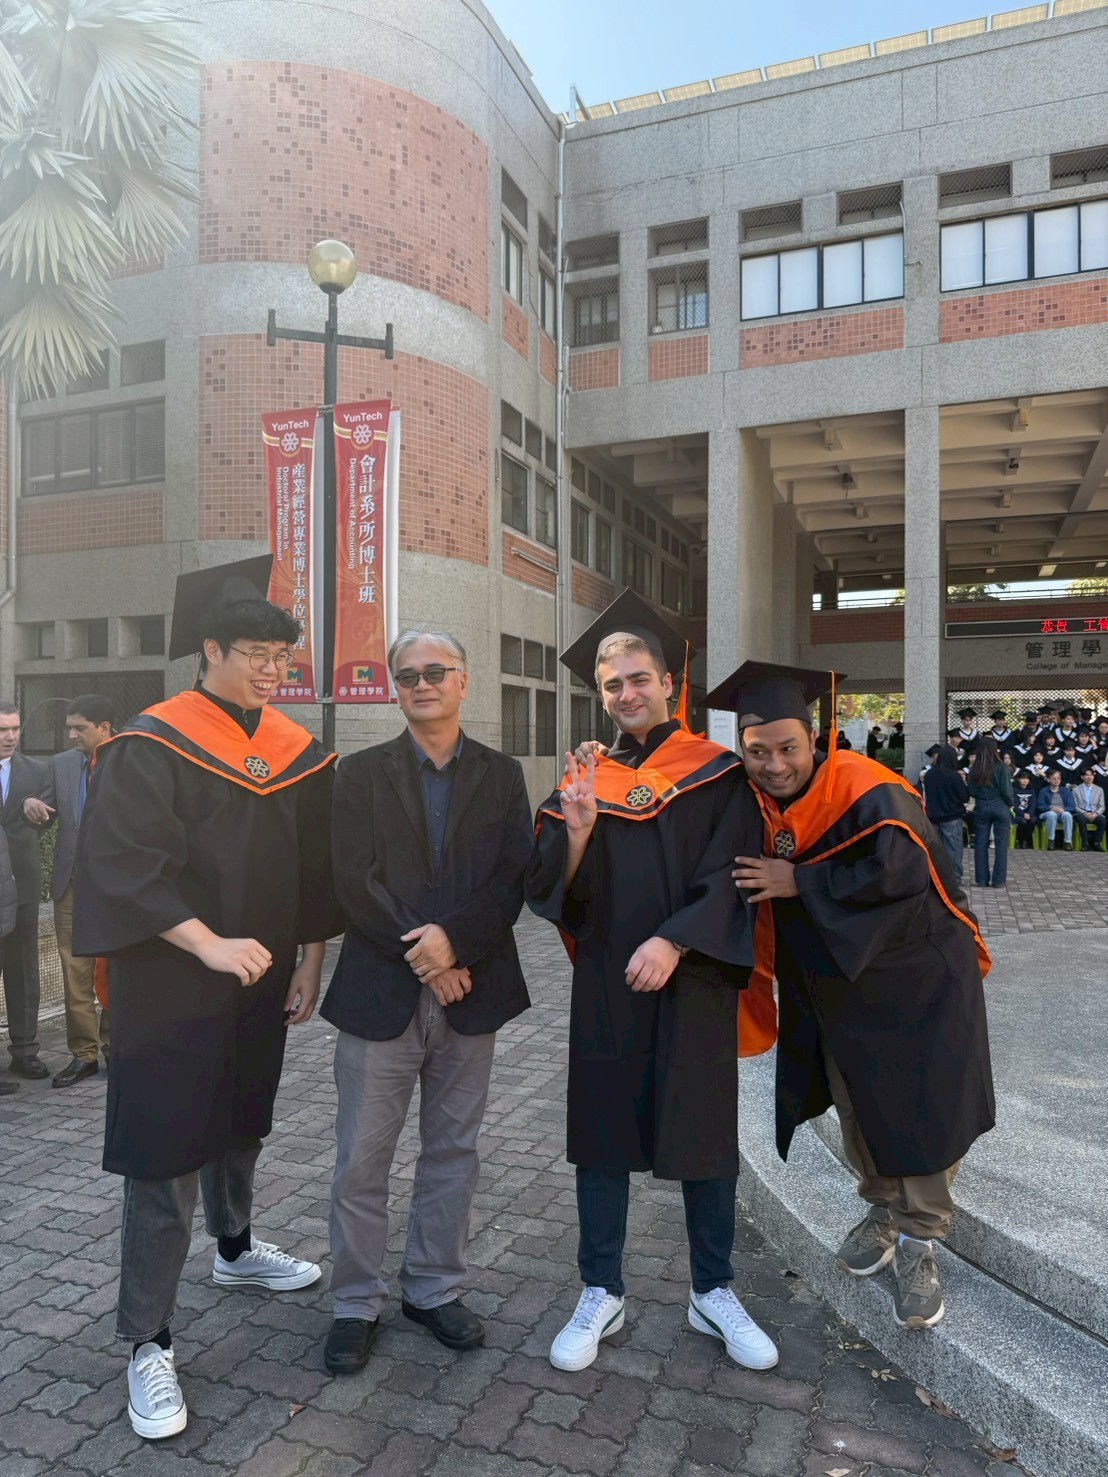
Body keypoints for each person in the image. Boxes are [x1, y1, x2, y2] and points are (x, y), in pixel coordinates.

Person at [72, 557, 340, 1441]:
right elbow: (124, 868)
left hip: (259, 977)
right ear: (209, 649)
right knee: (166, 1149)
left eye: (281, 656)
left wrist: (310, 960)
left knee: (242, 1116)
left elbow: (314, 869)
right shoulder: (152, 743)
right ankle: (146, 1338)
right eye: (256, 653)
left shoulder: (294, 750)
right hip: (172, 982)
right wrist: (208, 942)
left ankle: (235, 1249)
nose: (272, 669)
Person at [527, 591, 777, 1375]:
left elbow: (734, 873)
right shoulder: (586, 777)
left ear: (670, 682)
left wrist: (675, 938)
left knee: (703, 1135)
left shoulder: (718, 773)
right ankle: (601, 1287)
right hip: (609, 979)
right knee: (602, 1136)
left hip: (694, 976)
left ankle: (713, 1288)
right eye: (612, 685)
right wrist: (576, 831)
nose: (627, 693)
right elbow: (550, 887)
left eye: (639, 678)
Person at [720, 660, 994, 1332]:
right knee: (857, 1103)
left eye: (788, 748)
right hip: (838, 982)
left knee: (921, 1106)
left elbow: (897, 876)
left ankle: (920, 1237)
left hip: (915, 977)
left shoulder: (868, 790)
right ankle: (882, 1209)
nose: (775, 765)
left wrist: (799, 880)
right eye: (758, 751)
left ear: (815, 737)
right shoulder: (753, 797)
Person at [321, 630, 533, 1375]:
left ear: (463, 680)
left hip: (471, 993)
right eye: (407, 675)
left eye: (435, 671)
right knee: (360, 1159)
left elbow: (512, 877)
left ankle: (433, 1289)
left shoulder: (503, 775)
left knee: (452, 1152)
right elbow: (354, 878)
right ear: (394, 688)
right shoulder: (359, 773)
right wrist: (428, 953)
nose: (422, 683)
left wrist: (455, 944)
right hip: (380, 992)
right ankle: (355, 1302)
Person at [23, 694, 114, 1087]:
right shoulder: (60, 764)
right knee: (74, 971)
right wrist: (30, 805)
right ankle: (84, 1055)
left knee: (115, 968)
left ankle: (116, 1047)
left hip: (117, 886)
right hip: (71, 884)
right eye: (69, 728)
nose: (72, 735)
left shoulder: (130, 758)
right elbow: (44, 814)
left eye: (80, 728)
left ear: (104, 728)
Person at [0, 702, 49, 1081]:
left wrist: (34, 807)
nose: (10, 737)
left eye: (15, 729)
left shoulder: (36, 771)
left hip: (23, 887)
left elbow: (49, 818)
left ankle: (25, 1050)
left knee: (23, 970)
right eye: (2, 730)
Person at [968, 737, 1012, 889]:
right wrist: (1010, 804)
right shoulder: (1002, 767)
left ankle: (981, 879)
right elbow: (1007, 791)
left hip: (982, 806)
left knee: (980, 844)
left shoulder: (974, 768)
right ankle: (998, 880)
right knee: (1001, 846)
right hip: (1000, 806)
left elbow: (972, 791)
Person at [921, 745, 969, 884]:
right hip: (952, 816)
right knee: (953, 848)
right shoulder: (954, 775)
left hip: (933, 816)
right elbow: (964, 797)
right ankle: (954, 877)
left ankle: (935, 876)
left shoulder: (929, 774)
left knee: (935, 848)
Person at [1036, 769, 1075, 848]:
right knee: (1052, 814)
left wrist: (1064, 810)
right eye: (1054, 778)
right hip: (1047, 812)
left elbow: (1072, 806)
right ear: (1048, 779)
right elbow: (1040, 806)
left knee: (1067, 815)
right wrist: (1051, 808)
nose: (1056, 780)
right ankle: (1051, 840)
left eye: (1058, 778)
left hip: (1062, 812)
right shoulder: (1043, 791)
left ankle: (1067, 842)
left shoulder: (1066, 791)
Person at [1071, 768, 1106, 852]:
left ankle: (1097, 843)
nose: (1089, 777)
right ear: (1082, 777)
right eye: (1087, 775)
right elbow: (1074, 806)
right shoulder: (1076, 789)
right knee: (1081, 820)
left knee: (1102, 821)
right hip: (1081, 813)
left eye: (1091, 775)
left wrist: (1096, 813)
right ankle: (1085, 843)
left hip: (1094, 813)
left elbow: (1102, 806)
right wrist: (1084, 812)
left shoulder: (1099, 790)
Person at [1012, 771, 1038, 848]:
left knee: (1033, 821)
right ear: (1018, 779)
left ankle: (1025, 840)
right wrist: (1023, 814)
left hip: (1029, 814)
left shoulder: (1031, 790)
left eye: (1027, 779)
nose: (1025, 780)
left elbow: (1033, 804)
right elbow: (1014, 805)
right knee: (1023, 822)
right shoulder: (1014, 790)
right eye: (1023, 778)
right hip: (1018, 814)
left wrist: (1029, 814)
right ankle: (1018, 840)